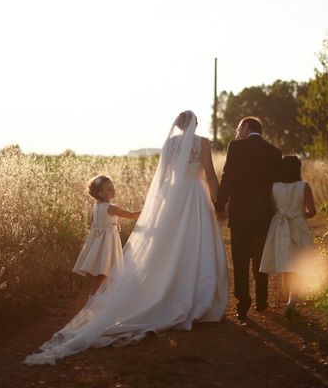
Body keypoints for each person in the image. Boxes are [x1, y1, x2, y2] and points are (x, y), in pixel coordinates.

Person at [24, 110, 228, 366]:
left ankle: (168, 290)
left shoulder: (169, 145)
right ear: (195, 124)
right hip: (196, 198)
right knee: (197, 246)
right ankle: (199, 299)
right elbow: (209, 175)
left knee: (169, 248)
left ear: (177, 127)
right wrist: (219, 204)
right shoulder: (203, 143)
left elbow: (163, 180)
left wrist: (160, 208)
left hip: (175, 200)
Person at [215, 116, 282, 321]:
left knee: (240, 260)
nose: (237, 131)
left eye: (238, 127)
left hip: (241, 213)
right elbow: (276, 185)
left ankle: (243, 303)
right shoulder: (274, 152)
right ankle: (262, 300)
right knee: (260, 258)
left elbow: (229, 176)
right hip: (264, 214)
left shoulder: (236, 148)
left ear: (246, 126)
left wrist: (220, 203)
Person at [259, 155, 316, 320]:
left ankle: (288, 302)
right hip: (298, 226)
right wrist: (300, 213)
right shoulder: (303, 186)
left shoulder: (274, 186)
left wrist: (282, 214)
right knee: (299, 265)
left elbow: (272, 208)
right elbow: (312, 211)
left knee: (286, 266)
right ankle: (292, 301)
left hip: (279, 226)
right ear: (298, 169)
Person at [72, 175, 141, 294]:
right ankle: (94, 297)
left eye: (113, 187)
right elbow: (130, 215)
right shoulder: (111, 208)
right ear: (101, 194)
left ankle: (101, 295)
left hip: (99, 240)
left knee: (104, 271)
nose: (113, 190)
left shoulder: (96, 206)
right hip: (108, 242)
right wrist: (147, 211)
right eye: (109, 189)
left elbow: (93, 223)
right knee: (104, 271)